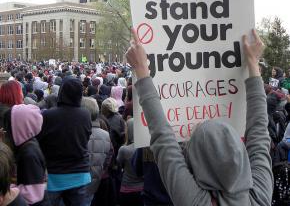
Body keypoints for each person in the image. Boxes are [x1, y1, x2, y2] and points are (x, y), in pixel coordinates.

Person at [126, 28, 273, 206]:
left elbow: (163, 140)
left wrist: (141, 69)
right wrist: (253, 63)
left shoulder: (196, 201)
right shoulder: (260, 195)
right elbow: (259, 134)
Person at [37, 77, 92, 206]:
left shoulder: (48, 115)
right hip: (79, 174)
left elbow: (41, 141)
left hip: (54, 174)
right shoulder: (85, 115)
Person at [80, 97, 113, 205]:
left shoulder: (77, 132)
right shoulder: (105, 135)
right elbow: (109, 156)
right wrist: (101, 171)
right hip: (94, 183)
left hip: (76, 183)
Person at [117, 118, 143, 206]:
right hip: (143, 189)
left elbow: (118, 164)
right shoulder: (146, 148)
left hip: (127, 189)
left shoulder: (124, 149)